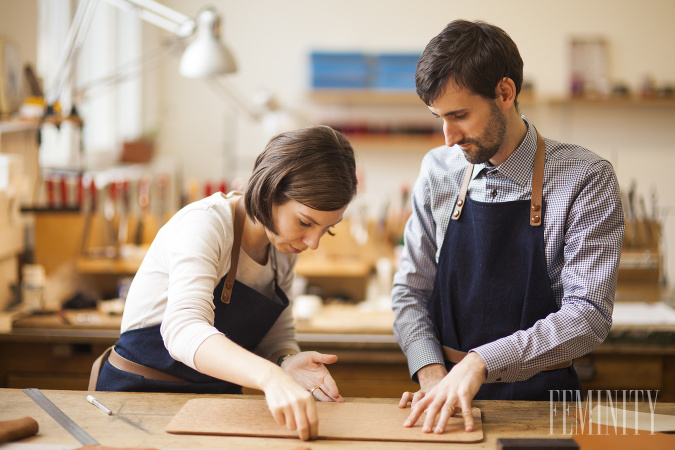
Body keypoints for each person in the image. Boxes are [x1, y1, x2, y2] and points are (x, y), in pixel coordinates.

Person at [392, 20, 624, 434]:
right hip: (446, 406)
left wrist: (482, 362)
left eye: (459, 116)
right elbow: (410, 291)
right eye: (439, 118)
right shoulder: (438, 170)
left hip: (544, 407)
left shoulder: (585, 178)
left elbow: (588, 316)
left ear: (504, 92)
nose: (448, 138)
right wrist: (432, 377)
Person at [92, 125, 358, 441]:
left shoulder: (283, 248)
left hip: (216, 403)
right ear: (270, 189)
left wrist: (286, 362)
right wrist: (269, 377)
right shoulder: (205, 225)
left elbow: (276, 337)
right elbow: (183, 329)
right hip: (138, 401)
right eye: (305, 222)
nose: (313, 242)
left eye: (327, 229)